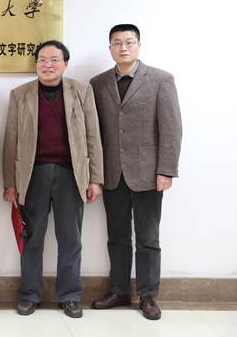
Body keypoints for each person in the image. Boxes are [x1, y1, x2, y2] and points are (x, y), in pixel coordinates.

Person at [2, 40, 103, 319]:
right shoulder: (20, 94)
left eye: (55, 59)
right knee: (31, 239)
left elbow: (93, 136)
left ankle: (69, 296)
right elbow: (10, 140)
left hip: (71, 175)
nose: (48, 65)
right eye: (42, 60)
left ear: (65, 63)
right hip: (31, 176)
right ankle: (29, 295)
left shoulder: (82, 91)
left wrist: (95, 178)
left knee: (71, 239)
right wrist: (10, 183)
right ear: (36, 64)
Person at [90, 24, 182, 320]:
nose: (123, 47)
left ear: (138, 46)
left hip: (149, 174)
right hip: (112, 173)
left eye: (129, 42)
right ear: (110, 49)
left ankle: (148, 295)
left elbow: (171, 128)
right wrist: (95, 172)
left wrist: (166, 170)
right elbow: (95, 132)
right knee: (117, 236)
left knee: (148, 238)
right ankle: (119, 291)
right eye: (117, 43)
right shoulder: (97, 83)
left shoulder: (160, 80)